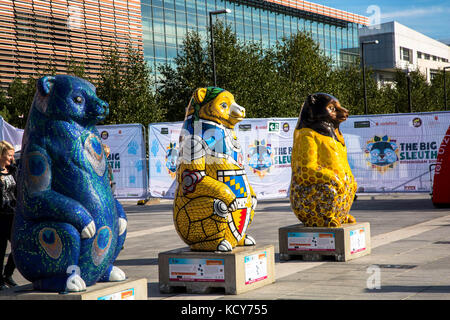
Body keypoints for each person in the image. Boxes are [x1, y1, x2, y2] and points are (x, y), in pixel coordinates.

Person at [0, 140, 18, 290]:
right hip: (0, 216)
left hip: (12, 214)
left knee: (18, 245)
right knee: (1, 249)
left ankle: (8, 274)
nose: (12, 158)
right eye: (9, 155)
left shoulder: (13, 170)